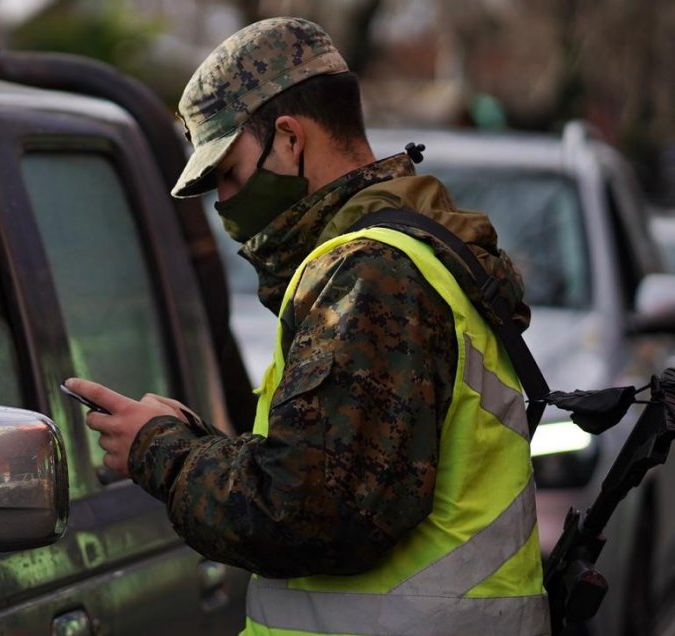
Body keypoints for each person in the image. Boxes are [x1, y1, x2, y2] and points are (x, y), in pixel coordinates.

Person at [65, 17, 550, 635]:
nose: (225, 205)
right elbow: (344, 470)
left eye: (231, 174)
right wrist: (196, 439)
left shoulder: (368, 273)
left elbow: (308, 515)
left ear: (290, 137)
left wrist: (161, 452)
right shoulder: (404, 252)